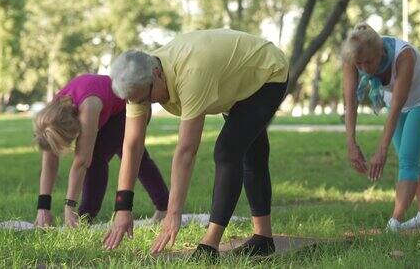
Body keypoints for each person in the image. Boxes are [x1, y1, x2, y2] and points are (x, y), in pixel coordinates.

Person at [102, 29, 288, 259]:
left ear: (158, 74)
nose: (145, 105)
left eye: (146, 99)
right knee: (251, 153)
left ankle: (209, 246)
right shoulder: (138, 81)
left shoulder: (190, 73)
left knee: (227, 151)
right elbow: (131, 146)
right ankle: (263, 240)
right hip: (235, 80)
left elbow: (186, 151)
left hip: (267, 72)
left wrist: (173, 213)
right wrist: (122, 208)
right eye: (137, 101)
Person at [33, 74, 169, 227]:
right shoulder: (50, 119)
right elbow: (49, 164)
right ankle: (164, 205)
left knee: (97, 157)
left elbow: (82, 161)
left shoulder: (88, 106)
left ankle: (84, 218)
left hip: (131, 104)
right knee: (138, 159)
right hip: (110, 107)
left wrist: (69, 207)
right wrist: (43, 207)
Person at [341, 22, 420, 231]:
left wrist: (381, 150)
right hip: (394, 101)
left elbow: (396, 107)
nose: (363, 69)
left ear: (380, 51)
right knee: (409, 155)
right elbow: (350, 101)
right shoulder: (353, 56)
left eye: (368, 62)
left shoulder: (404, 56)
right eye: (359, 65)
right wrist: (351, 143)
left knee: (407, 159)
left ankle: (394, 223)